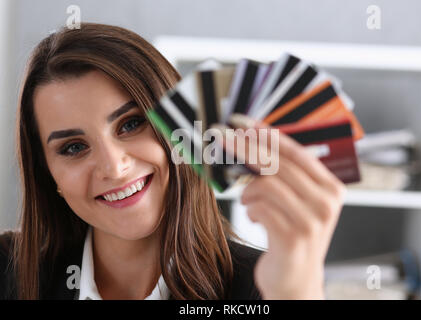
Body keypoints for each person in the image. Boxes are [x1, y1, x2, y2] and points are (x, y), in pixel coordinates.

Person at [0, 23, 345, 300]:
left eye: (131, 124)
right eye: (74, 148)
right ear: (48, 174)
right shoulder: (9, 274)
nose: (113, 167)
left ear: (184, 131)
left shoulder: (264, 289)